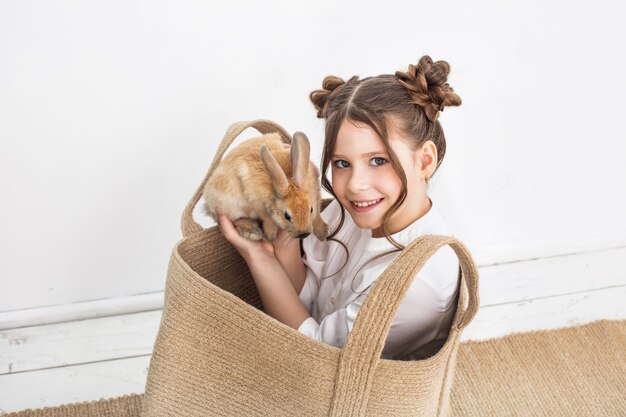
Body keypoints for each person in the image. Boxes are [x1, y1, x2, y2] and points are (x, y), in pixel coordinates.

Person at [217, 55, 462, 360]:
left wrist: (257, 258)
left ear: (424, 160)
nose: (355, 184)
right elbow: (309, 301)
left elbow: (315, 354)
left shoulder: (417, 282)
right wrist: (283, 245)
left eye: (378, 161)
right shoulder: (349, 213)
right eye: (342, 163)